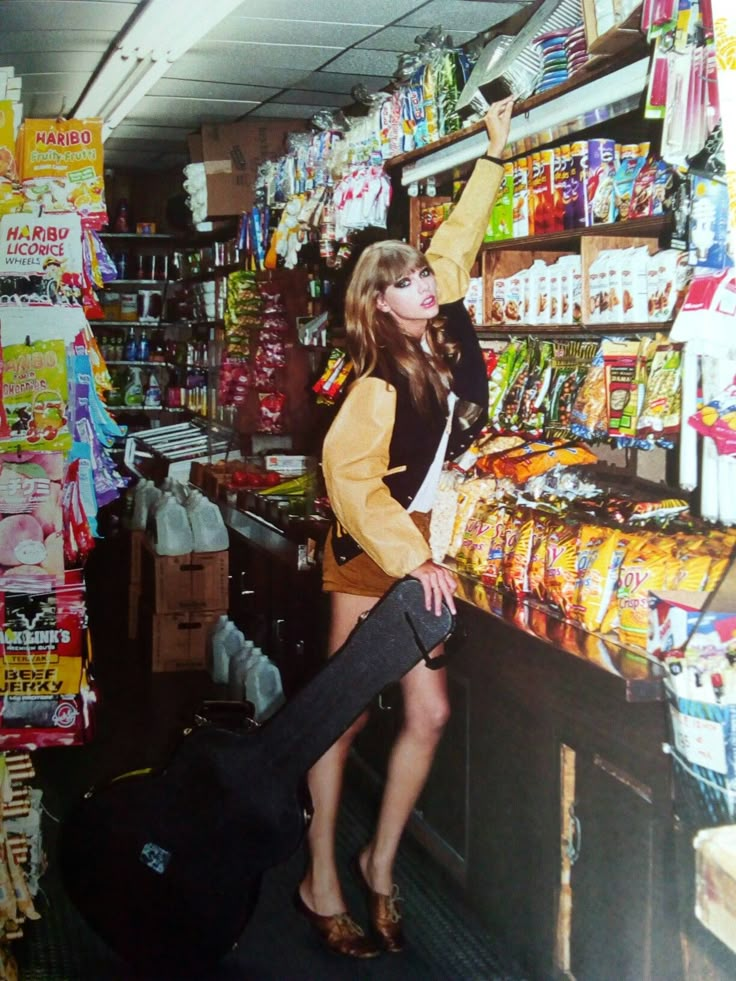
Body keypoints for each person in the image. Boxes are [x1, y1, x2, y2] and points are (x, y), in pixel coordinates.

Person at [294, 98, 514, 958]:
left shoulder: (432, 330)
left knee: (427, 714)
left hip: (422, 547)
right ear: (378, 304)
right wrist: (415, 556)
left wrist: (494, 156)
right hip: (373, 555)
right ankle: (321, 873)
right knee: (338, 718)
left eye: (424, 276)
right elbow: (349, 484)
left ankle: (378, 865)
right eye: (407, 280)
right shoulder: (376, 379)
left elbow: (456, 243)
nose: (428, 282)